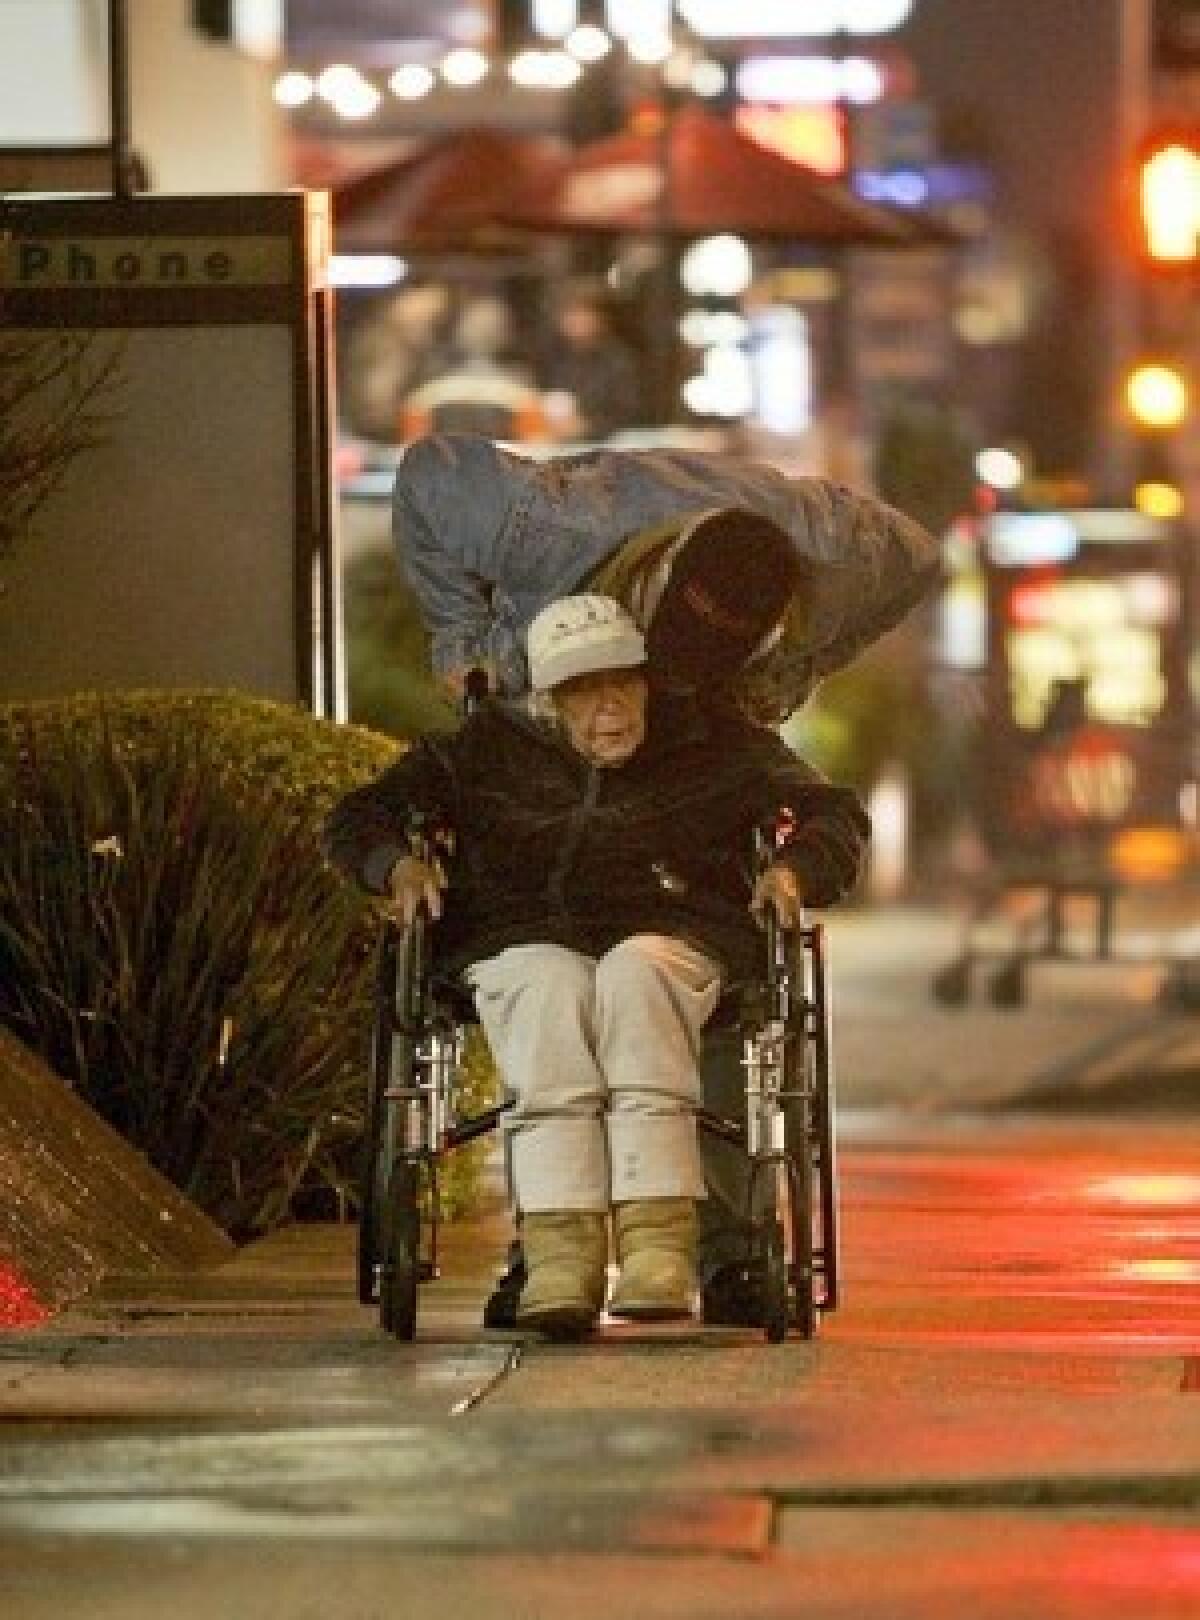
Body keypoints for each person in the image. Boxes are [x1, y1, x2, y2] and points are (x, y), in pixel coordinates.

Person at [323, 595, 869, 1340]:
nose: (608, 704)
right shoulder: (484, 748)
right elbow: (358, 816)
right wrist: (395, 867)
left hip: (672, 927)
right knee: (548, 989)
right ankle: (559, 1259)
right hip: (519, 932)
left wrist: (795, 873)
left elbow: (831, 810)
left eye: (622, 682)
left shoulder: (715, 741)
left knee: (634, 978)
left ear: (648, 681)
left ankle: (657, 1250)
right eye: (583, 688)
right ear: (549, 699)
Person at [392, 430, 941, 726]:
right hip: (584, 565)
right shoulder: (551, 528)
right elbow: (426, 470)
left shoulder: (841, 563)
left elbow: (922, 560)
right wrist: (461, 643)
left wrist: (801, 670)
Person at [539, 286, 642, 442]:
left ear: (600, 319)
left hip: (605, 446)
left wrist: (586, 427)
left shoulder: (618, 361)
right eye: (569, 315)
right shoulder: (556, 356)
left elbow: (628, 415)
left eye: (582, 315)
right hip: (555, 442)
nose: (574, 321)